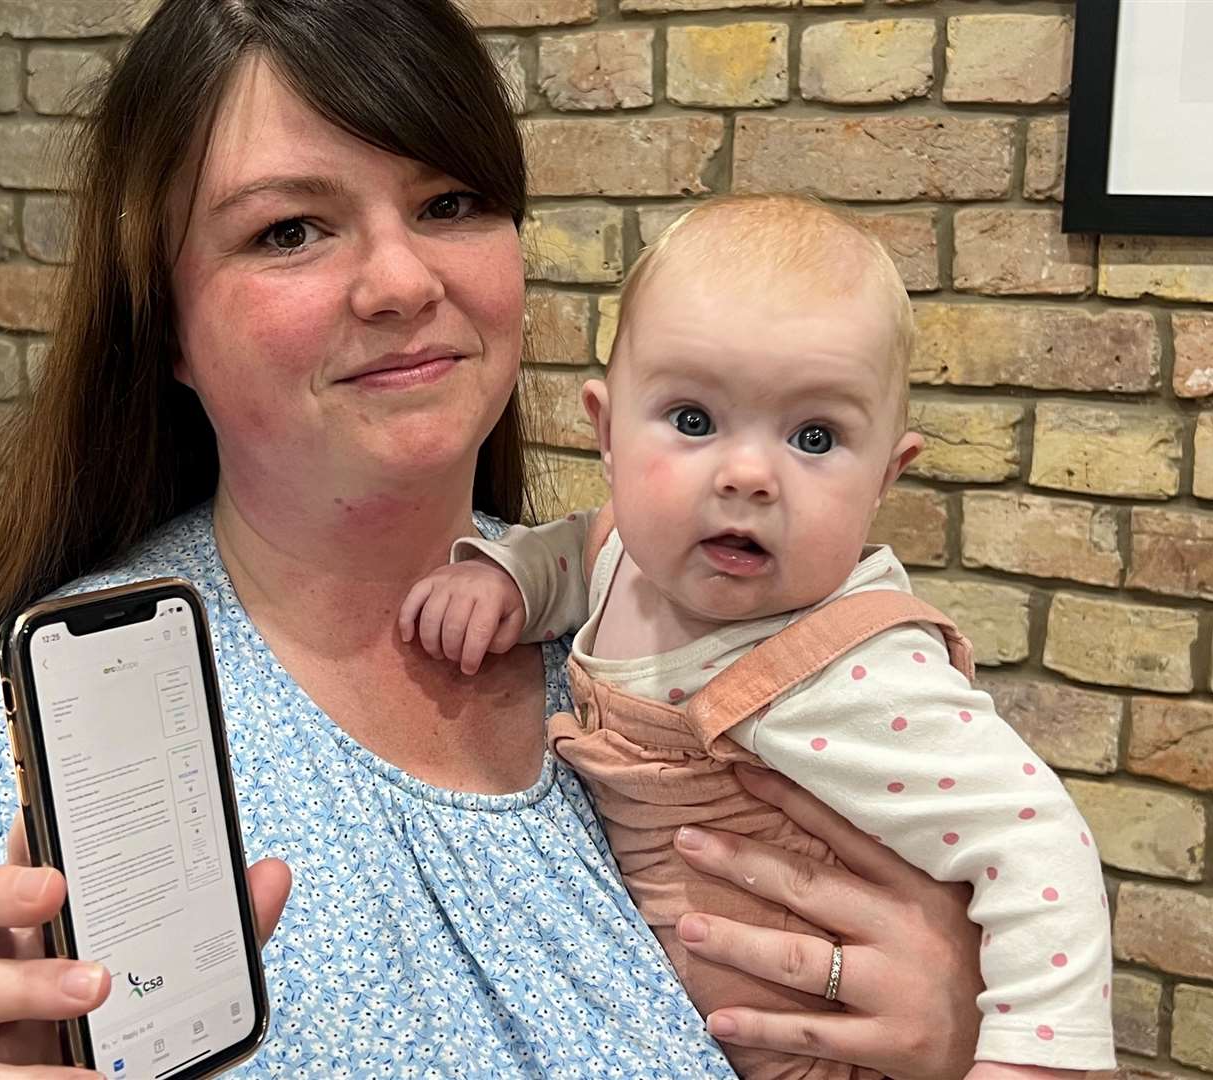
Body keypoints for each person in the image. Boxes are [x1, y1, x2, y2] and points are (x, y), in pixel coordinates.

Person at [0, 3, 988, 1077]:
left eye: (448, 203)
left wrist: (946, 1030)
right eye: (289, 230)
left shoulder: (688, 641)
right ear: (161, 326)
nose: (398, 282)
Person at [400, 195, 1114, 1079]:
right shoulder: (626, 554)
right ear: (605, 432)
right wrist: (502, 574)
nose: (747, 476)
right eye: (693, 421)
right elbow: (578, 550)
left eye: (813, 437)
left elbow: (1036, 842)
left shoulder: (853, 668)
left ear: (887, 476)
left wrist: (1036, 1056)